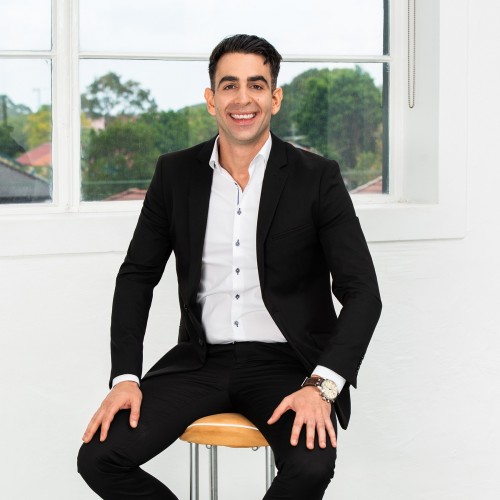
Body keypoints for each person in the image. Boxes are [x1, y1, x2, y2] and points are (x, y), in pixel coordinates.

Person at [77, 34, 382, 500]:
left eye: (256, 85)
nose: (243, 98)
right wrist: (125, 377)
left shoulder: (317, 178)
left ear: (274, 98)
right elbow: (137, 276)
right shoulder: (174, 174)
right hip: (201, 360)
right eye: (229, 85)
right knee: (99, 457)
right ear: (211, 99)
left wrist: (322, 386)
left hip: (288, 363)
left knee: (311, 465)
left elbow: (363, 293)